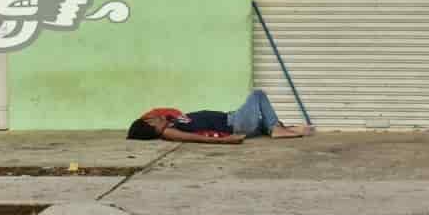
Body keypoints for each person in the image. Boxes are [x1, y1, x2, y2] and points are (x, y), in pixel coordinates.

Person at [127, 89, 314, 143]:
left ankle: (281, 128)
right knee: (257, 95)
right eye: (151, 120)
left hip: (233, 119)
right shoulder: (169, 132)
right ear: (150, 128)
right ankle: (276, 129)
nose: (156, 117)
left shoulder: (170, 121)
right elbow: (195, 137)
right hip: (233, 124)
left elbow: (162, 112)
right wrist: (226, 141)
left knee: (261, 119)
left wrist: (158, 119)